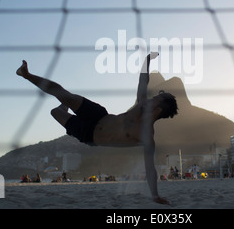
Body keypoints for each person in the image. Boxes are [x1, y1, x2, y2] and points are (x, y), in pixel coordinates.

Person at [16, 52, 178, 205]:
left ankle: (63, 107)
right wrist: (147, 59)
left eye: (155, 99)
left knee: (55, 112)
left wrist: (155, 195)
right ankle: (26, 74)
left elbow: (150, 169)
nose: (150, 99)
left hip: (88, 134)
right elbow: (143, 80)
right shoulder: (141, 103)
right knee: (64, 94)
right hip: (99, 114)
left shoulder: (147, 136)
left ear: (158, 110)